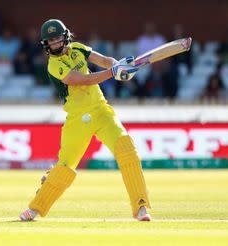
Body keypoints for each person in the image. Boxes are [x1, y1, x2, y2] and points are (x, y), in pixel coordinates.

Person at [19, 19, 151, 222]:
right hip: (77, 118)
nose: (54, 43)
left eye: (57, 38)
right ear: (46, 44)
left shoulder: (78, 48)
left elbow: (105, 60)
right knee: (65, 167)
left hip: (101, 110)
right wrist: (112, 73)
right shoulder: (53, 65)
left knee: (126, 148)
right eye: (50, 40)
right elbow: (82, 80)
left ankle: (141, 207)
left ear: (65, 37)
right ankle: (35, 209)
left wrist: (119, 66)